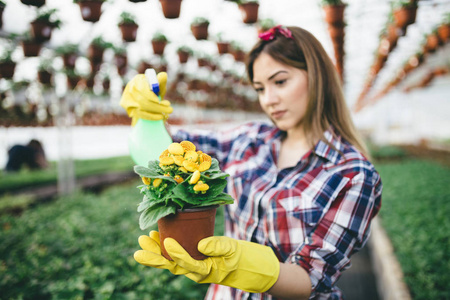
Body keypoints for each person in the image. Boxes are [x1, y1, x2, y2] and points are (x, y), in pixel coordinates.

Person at [121, 25, 382, 300]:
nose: (269, 100)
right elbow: (169, 148)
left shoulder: (353, 175)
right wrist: (146, 115)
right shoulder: (249, 140)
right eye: (260, 88)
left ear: (318, 77)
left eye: (280, 82)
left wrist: (238, 266)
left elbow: (311, 279)